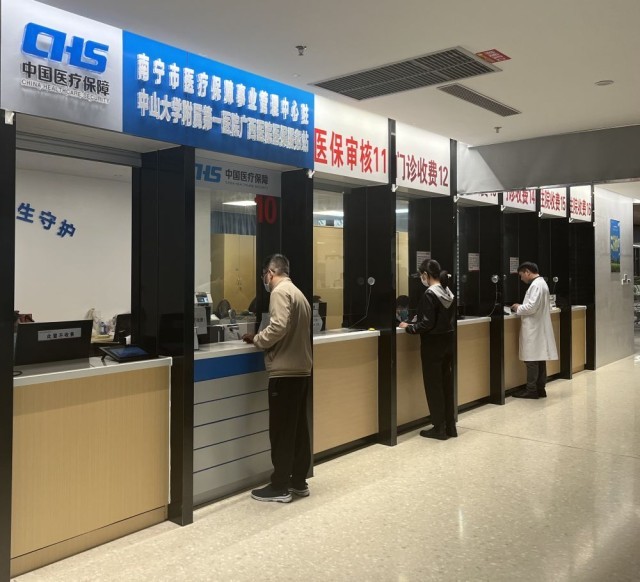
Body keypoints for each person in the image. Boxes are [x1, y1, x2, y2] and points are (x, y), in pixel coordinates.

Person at [242, 254, 312, 503]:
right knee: (298, 430)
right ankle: (299, 481)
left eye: (264, 275)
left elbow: (279, 326)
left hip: (284, 371)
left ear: (270, 273)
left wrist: (258, 339)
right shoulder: (299, 294)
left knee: (281, 430)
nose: (264, 279)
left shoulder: (280, 292)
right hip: (301, 370)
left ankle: (280, 485)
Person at [399, 259, 456, 440]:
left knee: (434, 386)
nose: (421, 278)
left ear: (425, 274)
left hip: (432, 345)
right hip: (448, 342)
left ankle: (439, 428)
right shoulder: (448, 292)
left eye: (421, 275)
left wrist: (408, 328)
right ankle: (450, 426)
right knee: (446, 385)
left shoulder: (430, 293)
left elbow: (426, 323)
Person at [510, 262, 558, 399]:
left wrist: (518, 307)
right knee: (539, 358)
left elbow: (531, 307)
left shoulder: (536, 285)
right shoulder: (542, 284)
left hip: (533, 328)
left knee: (531, 360)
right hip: (538, 327)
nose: (521, 279)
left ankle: (531, 390)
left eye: (521, 275)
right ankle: (540, 389)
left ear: (527, 272)